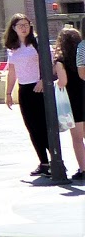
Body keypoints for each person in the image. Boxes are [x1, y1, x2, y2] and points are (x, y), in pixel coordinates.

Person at [3, 13, 52, 176]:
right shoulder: (12, 48)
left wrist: (43, 80)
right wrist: (8, 93)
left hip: (40, 88)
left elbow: (50, 63)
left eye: (26, 24)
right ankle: (44, 162)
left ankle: (56, 160)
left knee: (44, 126)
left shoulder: (37, 43)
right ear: (14, 28)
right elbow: (12, 72)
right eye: (20, 25)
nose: (24, 28)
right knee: (32, 127)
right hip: (24, 89)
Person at [56, 26, 85, 181]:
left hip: (74, 101)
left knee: (77, 139)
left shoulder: (61, 60)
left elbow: (63, 82)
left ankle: (83, 169)